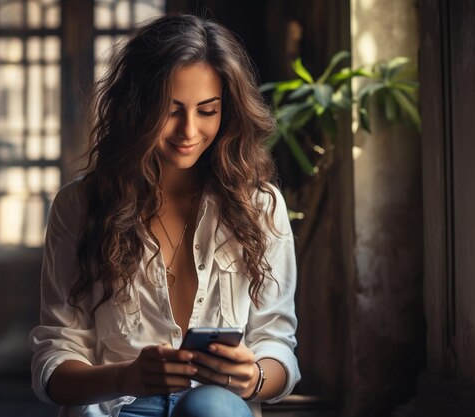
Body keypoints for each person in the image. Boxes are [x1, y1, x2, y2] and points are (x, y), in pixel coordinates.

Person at [29, 13, 300, 417]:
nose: (188, 130)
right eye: (170, 110)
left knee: (211, 407)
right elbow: (54, 357)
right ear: (136, 107)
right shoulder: (79, 207)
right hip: (116, 407)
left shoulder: (262, 207)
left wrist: (255, 376)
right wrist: (125, 377)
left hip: (217, 409)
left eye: (207, 111)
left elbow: (277, 341)